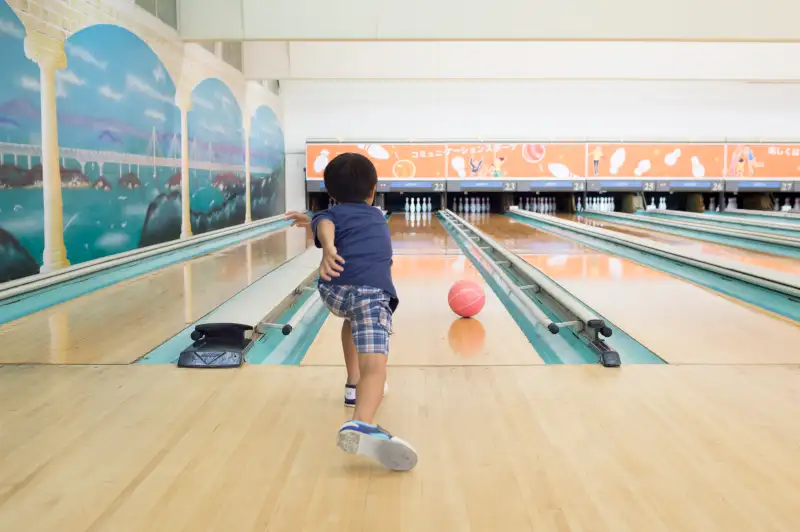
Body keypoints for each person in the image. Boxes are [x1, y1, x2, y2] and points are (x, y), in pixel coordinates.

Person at [285, 153, 418, 472]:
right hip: (371, 295)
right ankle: (362, 423)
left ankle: (351, 385)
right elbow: (327, 221)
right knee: (377, 367)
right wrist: (327, 242)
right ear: (374, 189)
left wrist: (326, 245)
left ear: (330, 193)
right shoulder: (376, 215)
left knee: (352, 320)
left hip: (334, 293)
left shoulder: (328, 215)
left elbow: (326, 221)